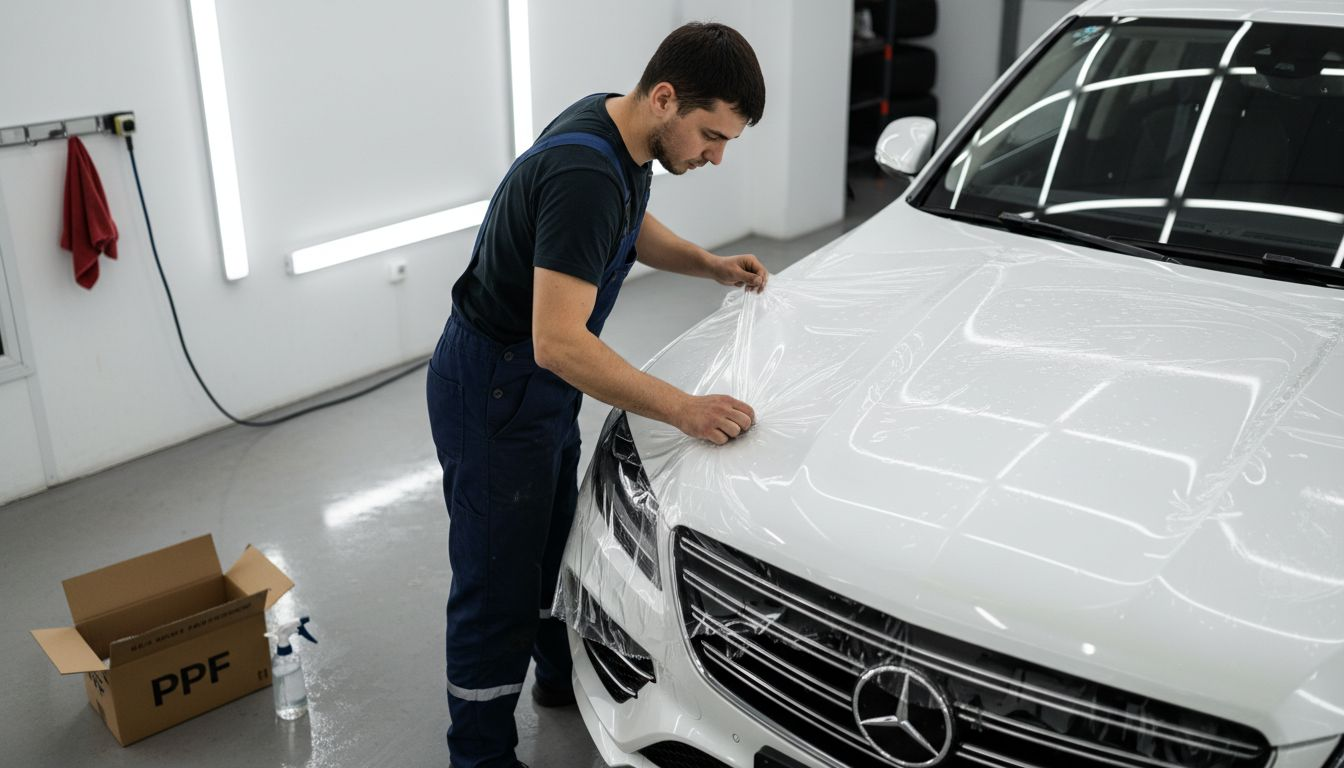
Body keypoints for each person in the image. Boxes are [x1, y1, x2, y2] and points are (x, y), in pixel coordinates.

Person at [425, 21, 767, 768]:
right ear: (667, 98)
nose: (714, 156)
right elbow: (561, 342)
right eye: (712, 136)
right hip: (497, 388)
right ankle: (478, 756)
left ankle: (556, 677)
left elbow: (627, 224)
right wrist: (685, 408)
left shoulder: (621, 130)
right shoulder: (584, 173)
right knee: (495, 583)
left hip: (533, 390)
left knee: (553, 543)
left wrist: (708, 265)